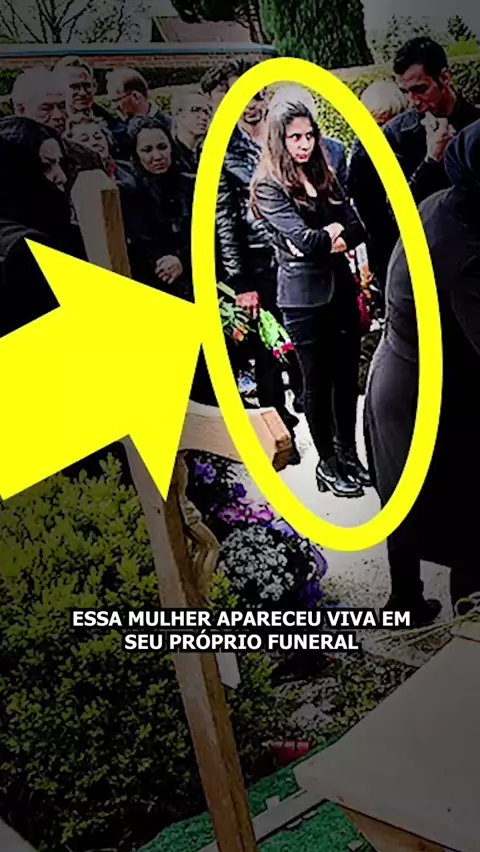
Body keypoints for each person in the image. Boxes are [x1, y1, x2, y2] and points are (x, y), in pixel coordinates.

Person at [364, 119, 480, 626]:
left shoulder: (442, 203)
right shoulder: (466, 250)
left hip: (397, 373)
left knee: (403, 495)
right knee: (471, 517)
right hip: (430, 396)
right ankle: (469, 626)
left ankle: (405, 600)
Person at [250, 100, 370, 497]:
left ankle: (349, 455)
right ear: (280, 140)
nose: (304, 144)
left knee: (346, 380)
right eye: (295, 137)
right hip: (303, 299)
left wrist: (326, 237)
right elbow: (306, 241)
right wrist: (326, 235)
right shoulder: (268, 185)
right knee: (317, 383)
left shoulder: (324, 173)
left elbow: (357, 228)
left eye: (309, 135)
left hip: (340, 288)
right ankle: (328, 463)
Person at [215, 74, 302, 464]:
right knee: (267, 354)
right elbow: (225, 222)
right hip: (257, 263)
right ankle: (281, 434)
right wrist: (241, 283)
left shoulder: (283, 138)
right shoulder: (222, 152)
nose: (250, 106)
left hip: (294, 257)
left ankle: (306, 409)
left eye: (256, 96)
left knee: (299, 340)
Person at [0, 116, 85, 337]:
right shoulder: (23, 248)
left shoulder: (58, 229)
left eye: (59, 163)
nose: (61, 177)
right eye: (46, 167)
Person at [119, 116, 193, 300]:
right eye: (147, 150)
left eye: (162, 147)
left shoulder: (192, 184)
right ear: (136, 153)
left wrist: (183, 259)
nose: (157, 156)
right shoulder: (128, 193)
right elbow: (140, 241)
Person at [347, 80, 408, 292]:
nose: (385, 131)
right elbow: (363, 214)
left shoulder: (411, 142)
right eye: (378, 124)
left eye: (390, 122)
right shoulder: (362, 156)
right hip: (385, 247)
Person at [10, 67, 103, 187]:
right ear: (21, 110)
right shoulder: (7, 160)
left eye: (62, 106)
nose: (58, 115)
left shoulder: (87, 159)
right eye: (46, 109)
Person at [55, 55, 129, 158]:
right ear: (58, 89)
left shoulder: (113, 127)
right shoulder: (52, 128)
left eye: (87, 86)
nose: (82, 93)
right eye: (74, 87)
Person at [171, 88, 211, 175]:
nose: (204, 117)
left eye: (206, 112)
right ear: (178, 114)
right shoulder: (168, 156)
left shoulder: (208, 155)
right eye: (195, 110)